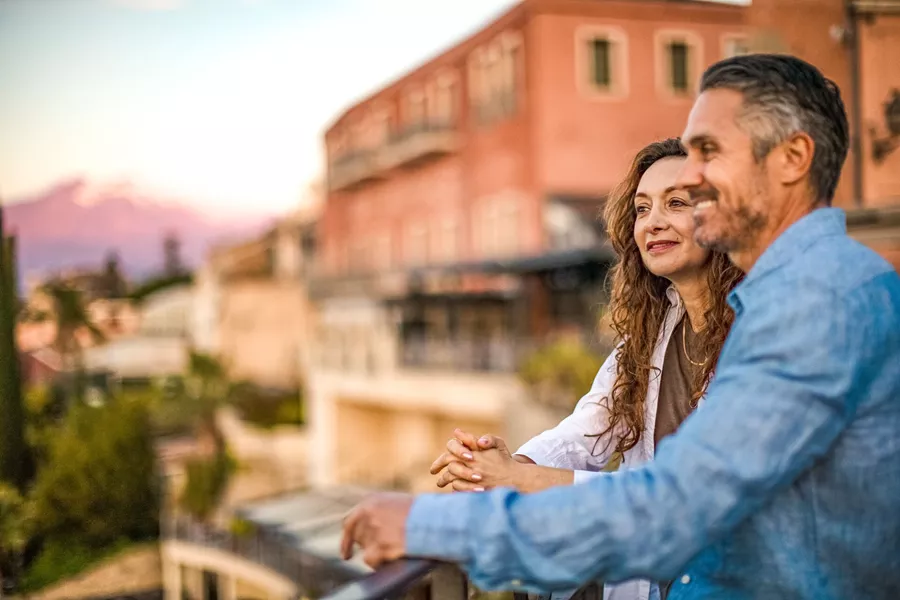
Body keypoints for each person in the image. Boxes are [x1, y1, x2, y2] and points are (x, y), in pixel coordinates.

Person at [340, 54, 900, 599]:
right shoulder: (780, 299)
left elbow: (676, 505)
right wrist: (509, 467)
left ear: (792, 158)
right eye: (644, 206)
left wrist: (434, 525)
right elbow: (598, 441)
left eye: (709, 152)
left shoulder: (820, 302)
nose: (696, 175)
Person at [428, 138, 743, 600]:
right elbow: (585, 433)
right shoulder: (648, 338)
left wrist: (518, 479)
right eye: (641, 208)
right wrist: (505, 465)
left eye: (676, 203)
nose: (652, 221)